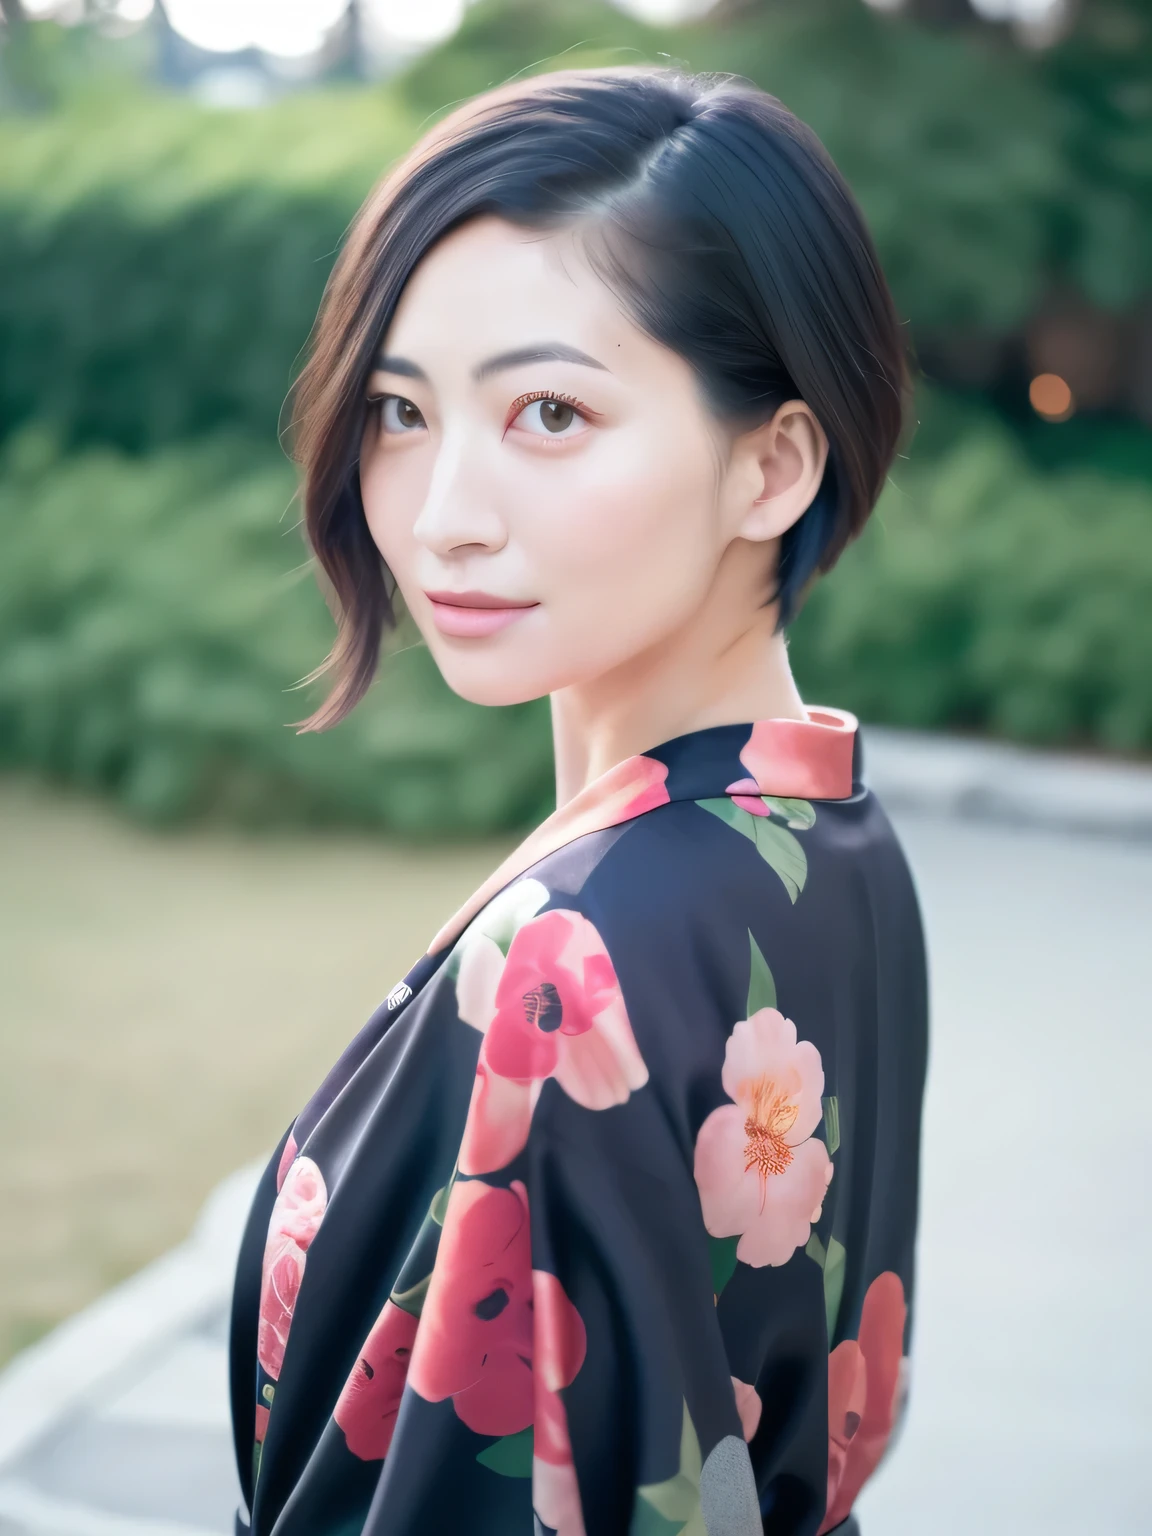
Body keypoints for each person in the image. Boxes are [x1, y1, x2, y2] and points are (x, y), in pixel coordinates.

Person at [228, 66, 928, 1536]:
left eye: (550, 411)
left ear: (771, 465)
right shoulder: (832, 833)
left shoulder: (568, 957)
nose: (440, 511)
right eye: (400, 411)